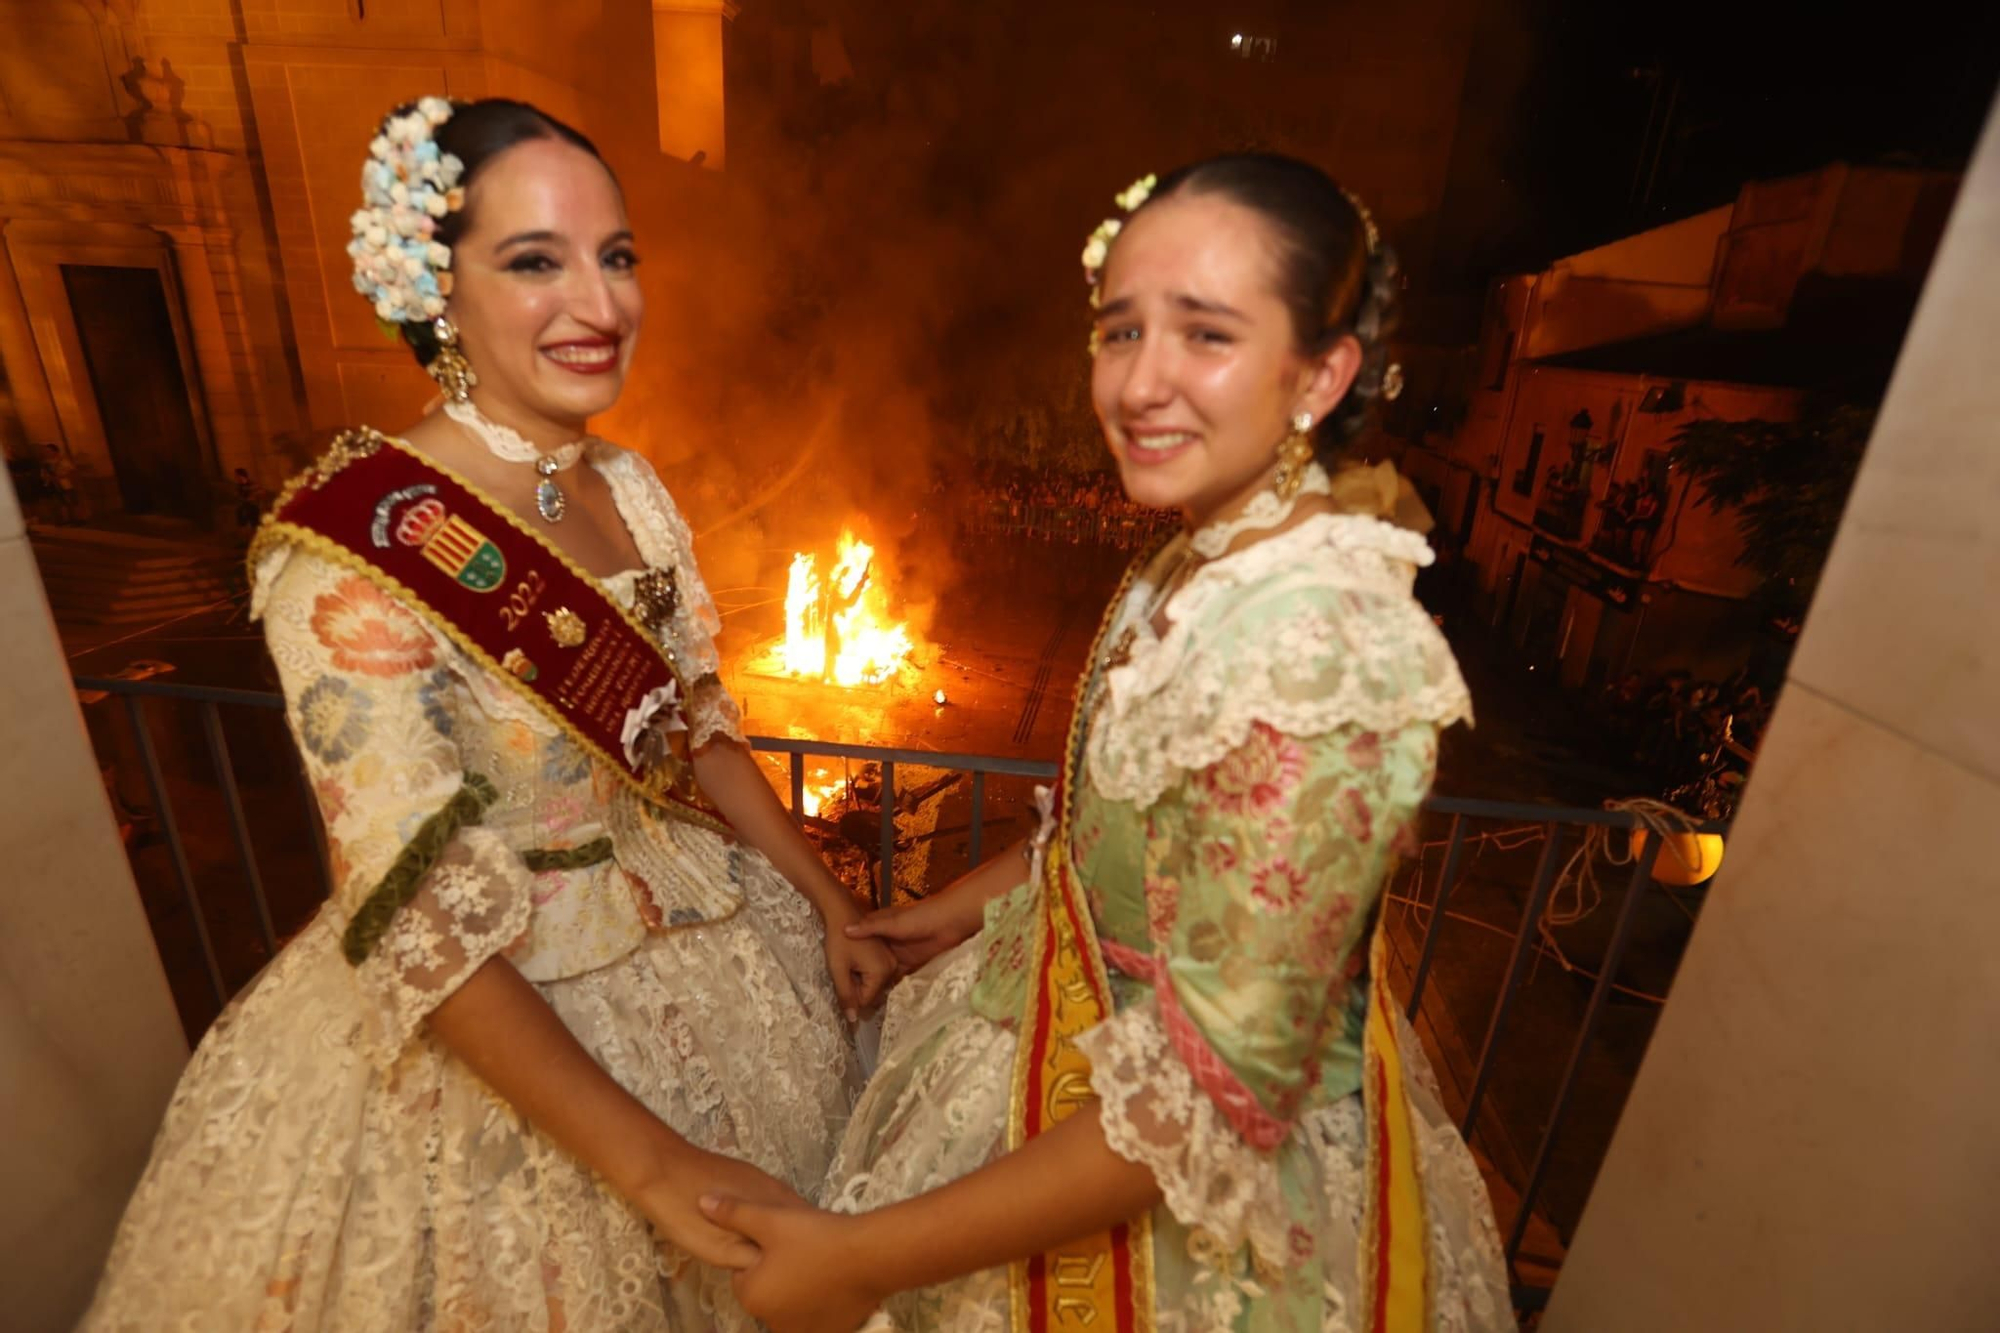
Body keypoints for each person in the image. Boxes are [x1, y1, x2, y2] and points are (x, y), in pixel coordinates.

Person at [82, 96, 893, 1331]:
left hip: (710, 939)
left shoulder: (628, 483)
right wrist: (649, 1160)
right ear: (435, 287)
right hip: (501, 1011)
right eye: (534, 261)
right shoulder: (354, 545)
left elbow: (697, 733)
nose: (602, 303)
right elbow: (413, 901)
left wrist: (834, 903)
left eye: (615, 257)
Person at [701, 155, 1514, 1332]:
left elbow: (1208, 1096)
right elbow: (1105, 833)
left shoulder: (1320, 648)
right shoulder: (1186, 558)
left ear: (1321, 372)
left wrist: (857, 1257)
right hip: (1061, 1035)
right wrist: (957, 906)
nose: (1141, 382)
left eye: (1205, 334)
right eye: (1119, 330)